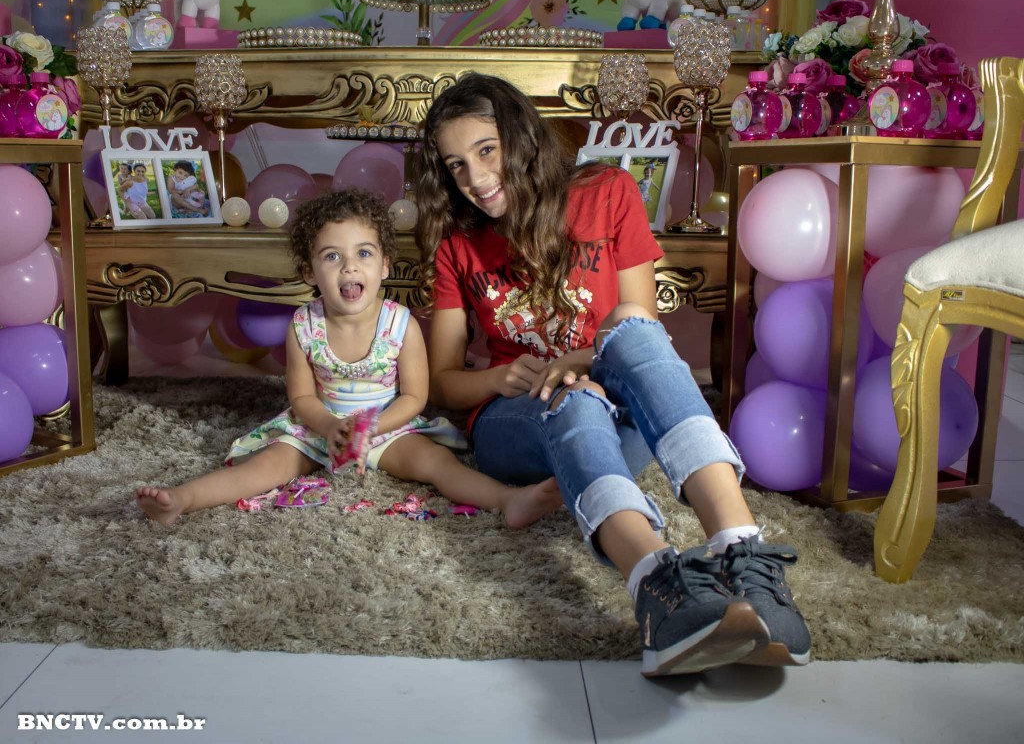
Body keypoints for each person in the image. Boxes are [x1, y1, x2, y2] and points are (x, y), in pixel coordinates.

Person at [416, 73, 811, 677]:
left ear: (521, 139)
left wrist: (583, 359)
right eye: (456, 165)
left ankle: (742, 551)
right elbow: (443, 382)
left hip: (617, 415)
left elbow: (639, 326)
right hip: (514, 423)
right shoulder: (457, 244)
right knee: (574, 400)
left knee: (628, 324)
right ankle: (657, 585)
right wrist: (498, 379)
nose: (475, 178)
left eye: (486, 150)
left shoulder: (607, 192)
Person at [135, 188, 562, 528]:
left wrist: (370, 428)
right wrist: (330, 428)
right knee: (266, 467)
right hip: (320, 428)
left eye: (363, 253)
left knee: (436, 463)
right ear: (309, 272)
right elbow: (302, 398)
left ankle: (508, 500)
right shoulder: (304, 325)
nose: (349, 267)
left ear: (385, 266)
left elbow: (415, 397)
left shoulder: (401, 324)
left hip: (387, 428)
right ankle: (183, 499)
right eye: (332, 256)